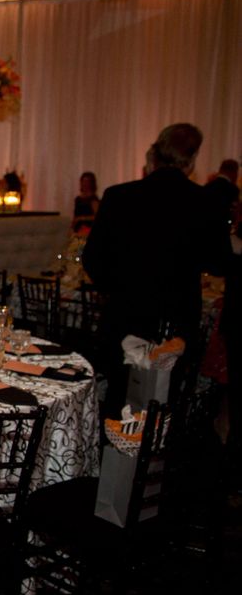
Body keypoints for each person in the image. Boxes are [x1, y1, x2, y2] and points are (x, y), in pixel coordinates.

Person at [83, 123, 234, 418]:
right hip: (176, 323)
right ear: (191, 162)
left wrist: (118, 290)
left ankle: (116, 458)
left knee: (118, 401)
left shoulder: (118, 196)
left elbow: (92, 259)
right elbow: (219, 262)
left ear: (152, 158)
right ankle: (157, 459)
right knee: (165, 403)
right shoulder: (205, 203)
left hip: (124, 317)